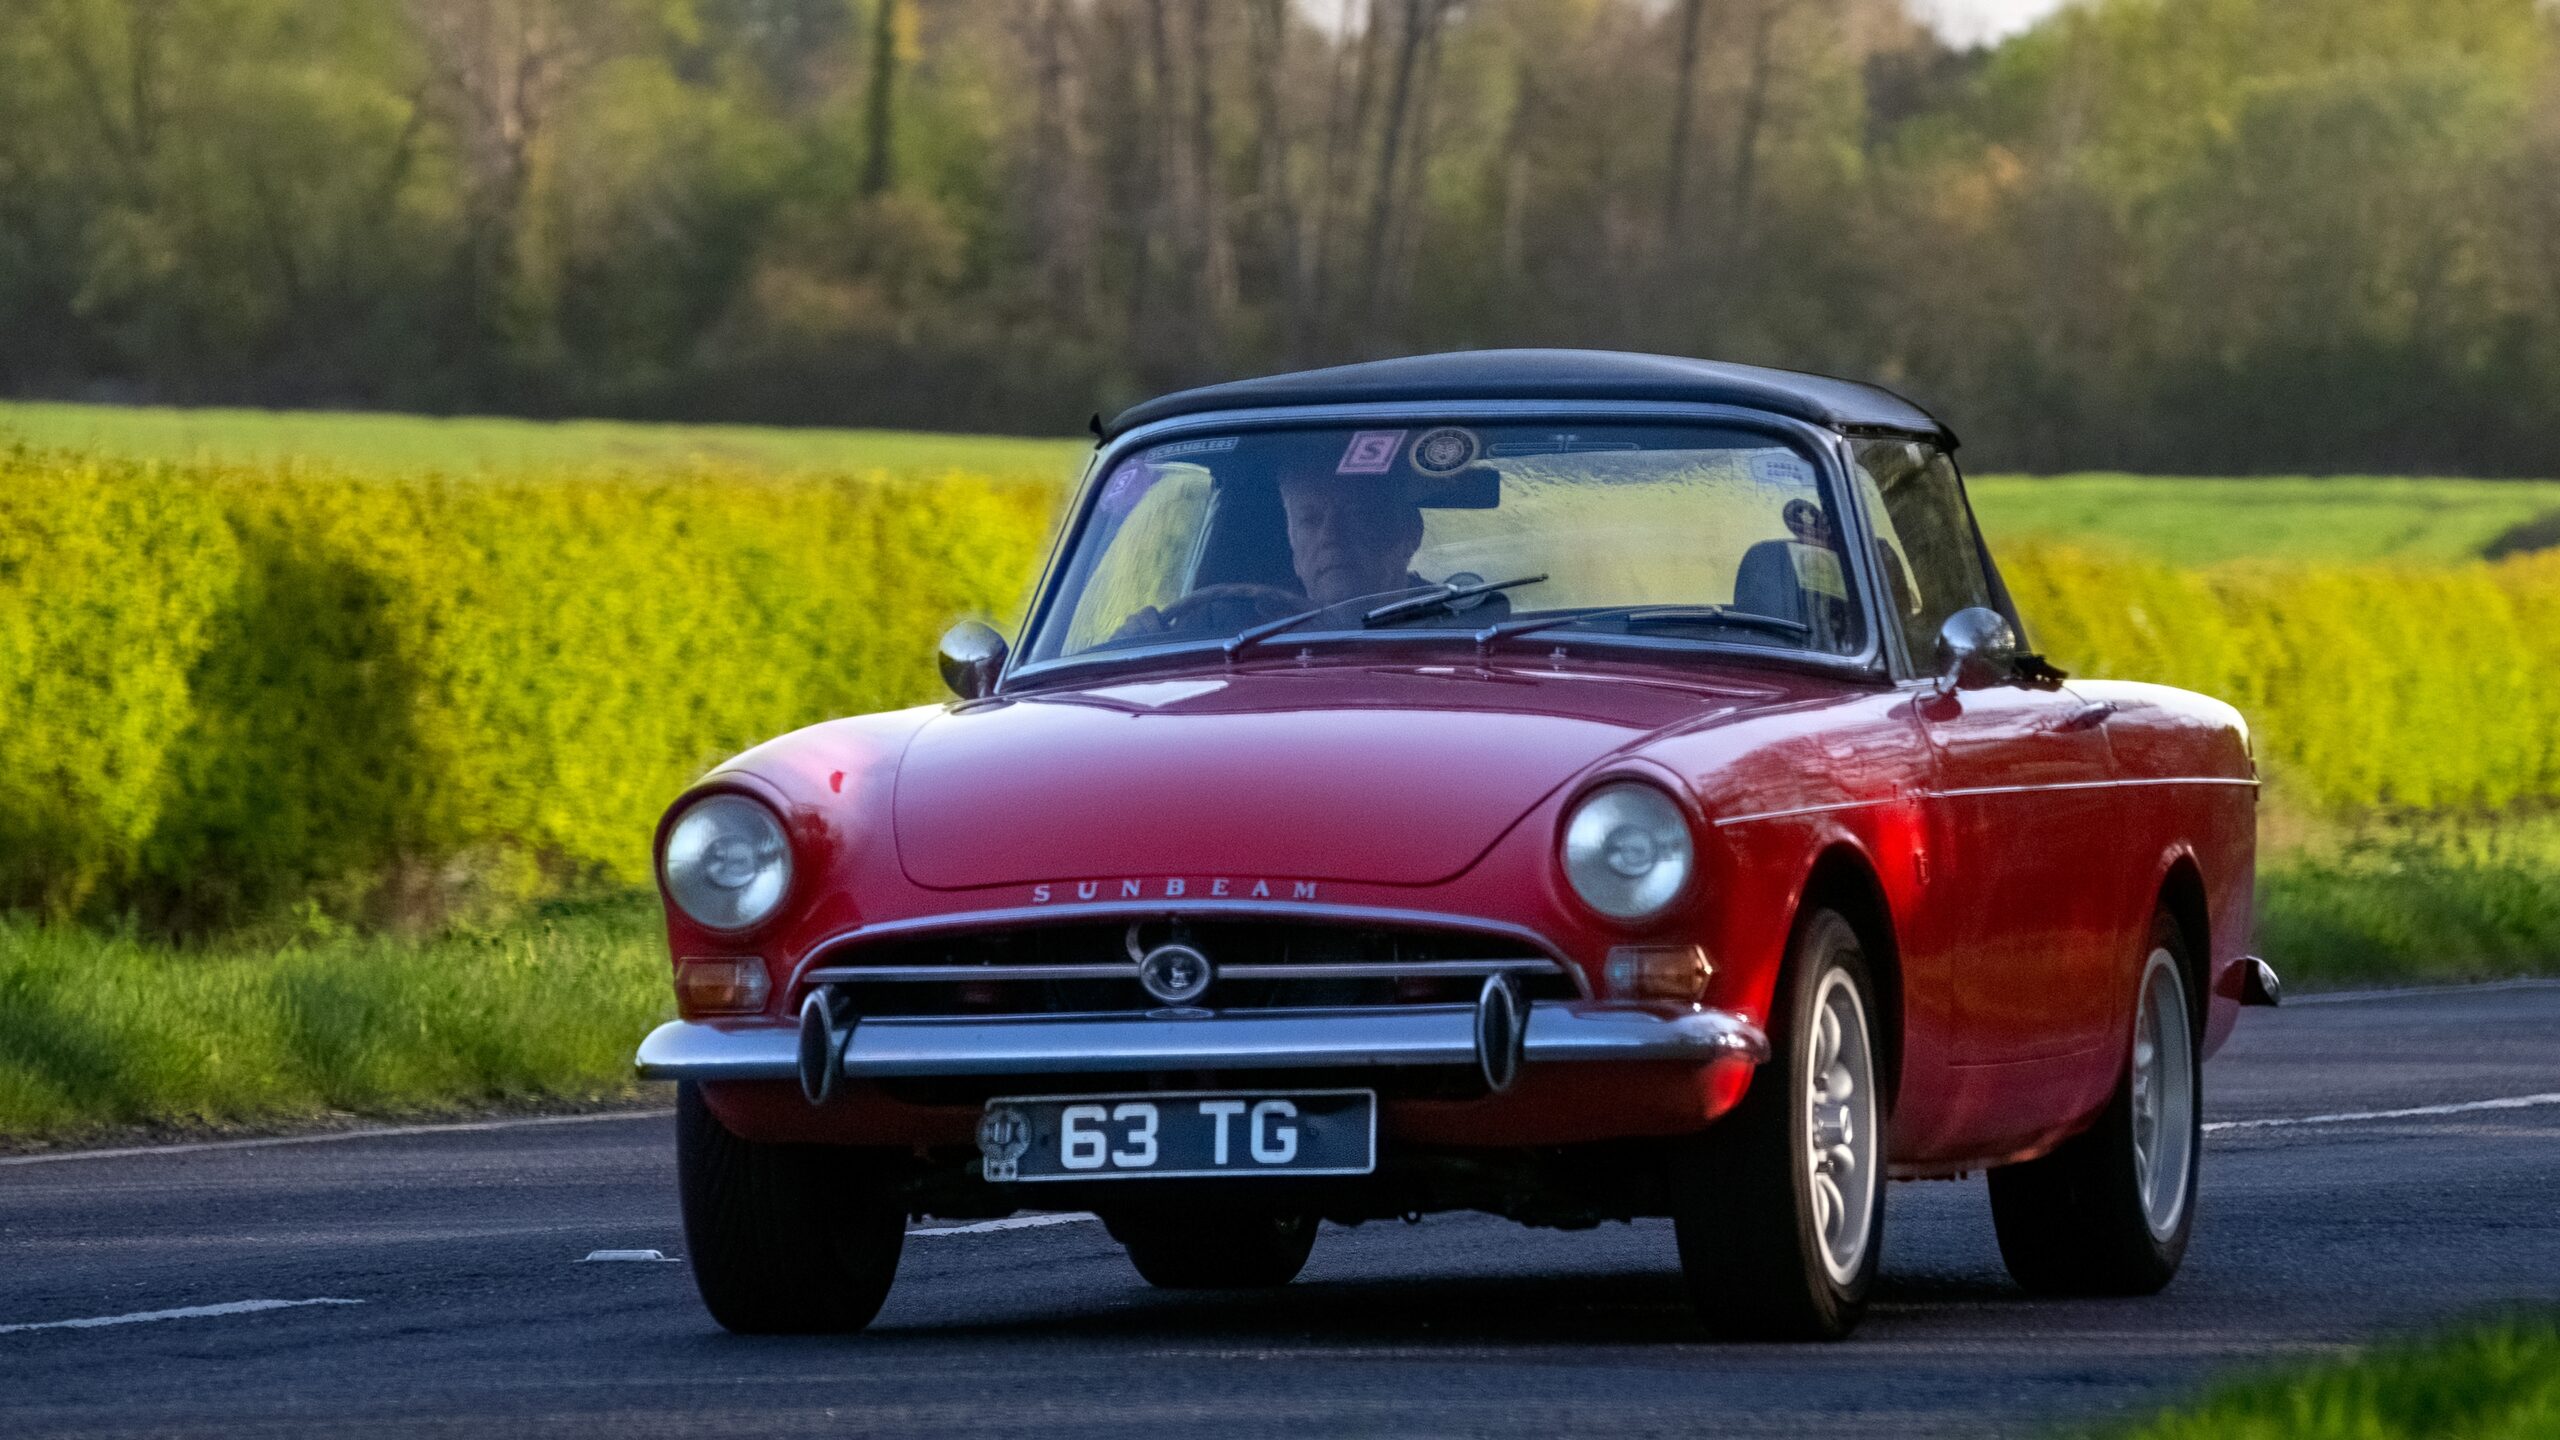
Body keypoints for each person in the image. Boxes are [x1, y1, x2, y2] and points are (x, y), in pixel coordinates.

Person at [1112, 460, 1428, 640]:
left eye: (1359, 514)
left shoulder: (1462, 619)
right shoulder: (1220, 627)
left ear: (1410, 532)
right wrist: (1134, 642)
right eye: (1309, 521)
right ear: (1291, 540)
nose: (1331, 536)